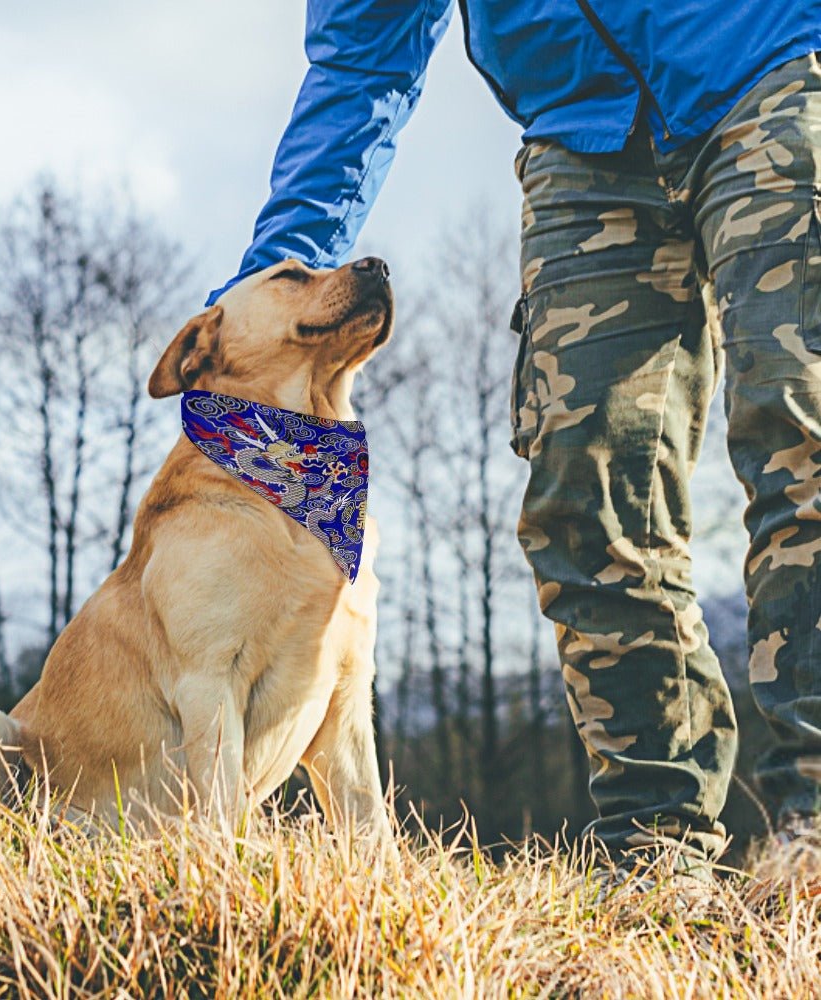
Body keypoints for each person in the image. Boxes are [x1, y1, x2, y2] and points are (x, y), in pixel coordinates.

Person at [208, 1, 821, 874]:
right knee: (587, 497)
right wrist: (270, 291)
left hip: (771, 61)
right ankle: (657, 851)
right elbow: (361, 65)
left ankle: (814, 833)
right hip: (583, 138)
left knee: (800, 432)